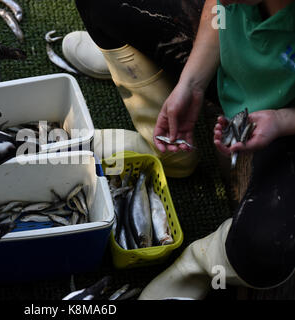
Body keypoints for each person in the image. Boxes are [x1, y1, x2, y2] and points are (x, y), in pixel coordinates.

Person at [66, 0, 295, 299]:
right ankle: (168, 149)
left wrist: (282, 120)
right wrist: (191, 83)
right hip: (242, 67)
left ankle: (199, 267)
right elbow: (221, 10)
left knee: (266, 244)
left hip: (285, 118)